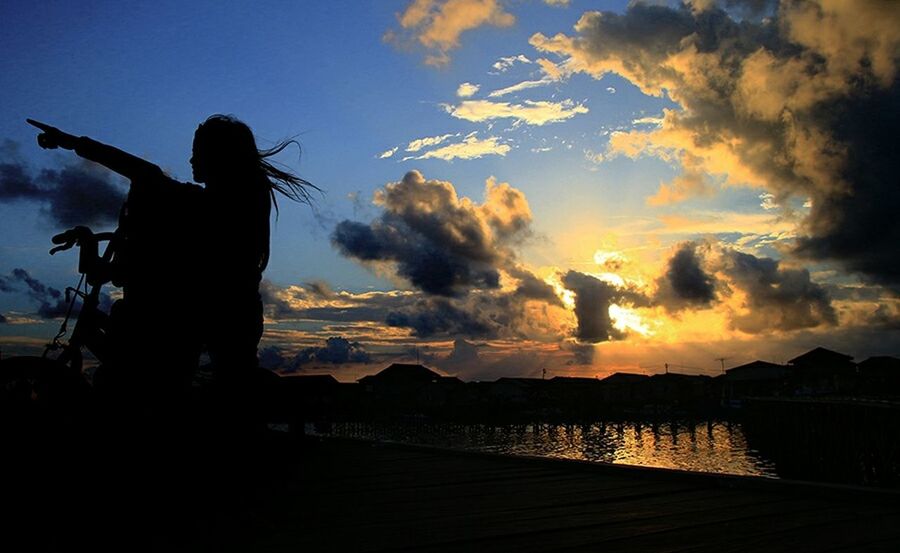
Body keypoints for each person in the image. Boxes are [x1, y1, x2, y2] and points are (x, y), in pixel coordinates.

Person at [28, 116, 317, 407]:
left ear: (220, 155)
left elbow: (146, 175)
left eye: (198, 151)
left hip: (216, 314)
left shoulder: (219, 203)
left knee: (150, 385)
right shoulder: (230, 198)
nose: (191, 159)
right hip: (228, 313)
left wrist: (74, 143)